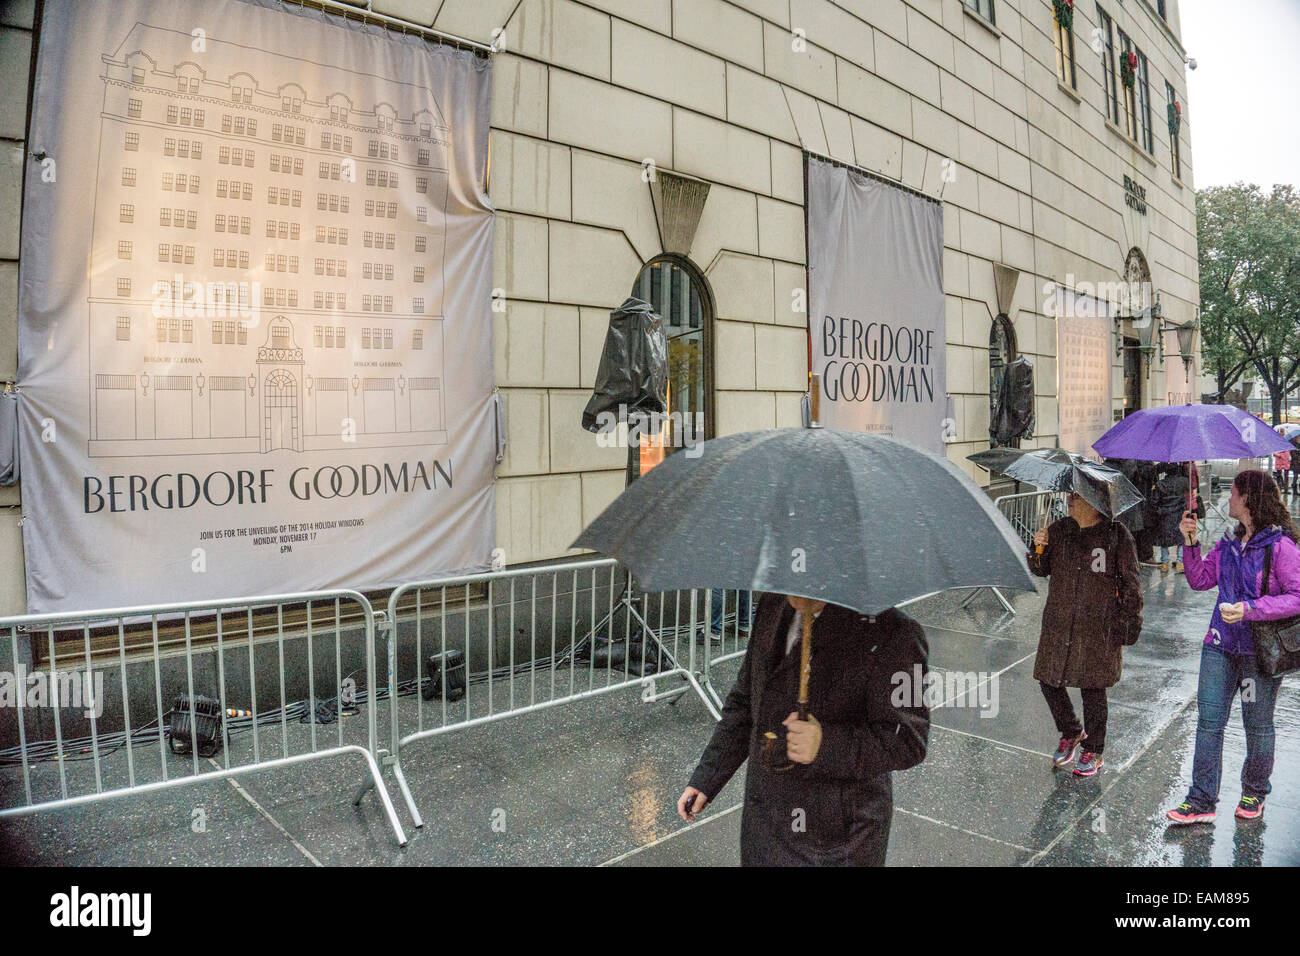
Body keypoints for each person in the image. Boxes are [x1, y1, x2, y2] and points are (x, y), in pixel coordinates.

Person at [676, 592, 929, 865]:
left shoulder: (896, 633)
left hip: (838, 837)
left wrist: (825, 744)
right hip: (765, 822)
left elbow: (908, 741)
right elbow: (746, 699)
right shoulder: (772, 605)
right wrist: (708, 776)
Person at [1167, 469, 1297, 824]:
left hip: (1258, 653)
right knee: (1209, 722)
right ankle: (1201, 800)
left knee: (1257, 724)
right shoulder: (1227, 543)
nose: (1228, 498)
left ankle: (1254, 790)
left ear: (1250, 500)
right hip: (1219, 646)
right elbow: (1199, 580)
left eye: (1235, 493)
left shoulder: (1280, 546)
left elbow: (1298, 597)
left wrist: (1252, 609)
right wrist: (1191, 543)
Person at [1029, 492, 1143, 776]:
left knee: (1093, 687)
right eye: (1071, 493)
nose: (1071, 498)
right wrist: (1038, 548)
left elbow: (1131, 583)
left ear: (1096, 501)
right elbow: (1040, 569)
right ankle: (1071, 730)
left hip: (1097, 626)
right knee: (1048, 679)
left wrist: (1129, 620)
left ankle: (1094, 749)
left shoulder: (1116, 535)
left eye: (1078, 495)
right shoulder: (1059, 529)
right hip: (1059, 622)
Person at [1153, 464, 1203, 572]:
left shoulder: (1160, 484)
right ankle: (1180, 562)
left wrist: (1159, 511)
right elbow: (1191, 492)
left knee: (1164, 540)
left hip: (1165, 515)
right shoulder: (1185, 482)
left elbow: (1155, 501)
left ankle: (1164, 563)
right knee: (1181, 538)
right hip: (1180, 513)